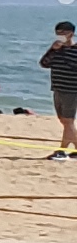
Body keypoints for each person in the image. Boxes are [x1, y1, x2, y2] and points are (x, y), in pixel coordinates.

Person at [47, 21, 77, 160]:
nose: (60, 35)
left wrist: (64, 52)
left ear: (71, 34)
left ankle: (62, 150)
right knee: (64, 120)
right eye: (58, 33)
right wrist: (52, 50)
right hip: (57, 88)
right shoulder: (56, 49)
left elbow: (73, 66)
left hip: (71, 89)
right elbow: (44, 63)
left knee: (68, 120)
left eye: (63, 33)